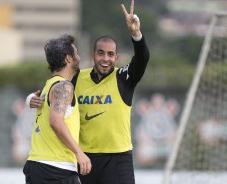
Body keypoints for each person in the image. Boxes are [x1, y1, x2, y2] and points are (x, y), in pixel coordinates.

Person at [28, 1, 150, 183]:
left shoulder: (124, 78)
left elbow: (142, 59)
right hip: (85, 158)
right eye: (101, 53)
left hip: (117, 158)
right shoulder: (76, 78)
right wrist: (30, 98)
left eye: (110, 54)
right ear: (93, 56)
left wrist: (136, 34)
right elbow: (52, 87)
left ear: (116, 58)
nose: (105, 59)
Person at [23, 34, 91, 184]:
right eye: (77, 53)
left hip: (38, 165)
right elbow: (55, 121)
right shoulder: (64, 86)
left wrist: (28, 100)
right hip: (56, 169)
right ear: (68, 58)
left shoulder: (48, 86)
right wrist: (79, 152)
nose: (78, 57)